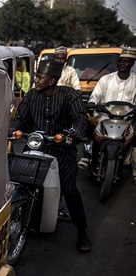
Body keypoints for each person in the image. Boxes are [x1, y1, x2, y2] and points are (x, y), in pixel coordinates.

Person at [10, 60, 91, 252]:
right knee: (21, 181)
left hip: (62, 149)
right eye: (36, 76)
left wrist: (75, 132)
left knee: (70, 189)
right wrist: (13, 129)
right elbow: (20, 119)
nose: (35, 80)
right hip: (36, 146)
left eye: (40, 77)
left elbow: (81, 118)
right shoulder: (31, 95)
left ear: (52, 80)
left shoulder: (69, 95)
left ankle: (82, 231)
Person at [79, 48, 136, 184]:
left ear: (132, 64)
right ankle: (89, 154)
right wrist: (92, 102)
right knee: (96, 131)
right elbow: (96, 95)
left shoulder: (135, 81)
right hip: (106, 116)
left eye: (126, 62)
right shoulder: (106, 79)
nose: (122, 64)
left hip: (127, 119)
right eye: (121, 61)